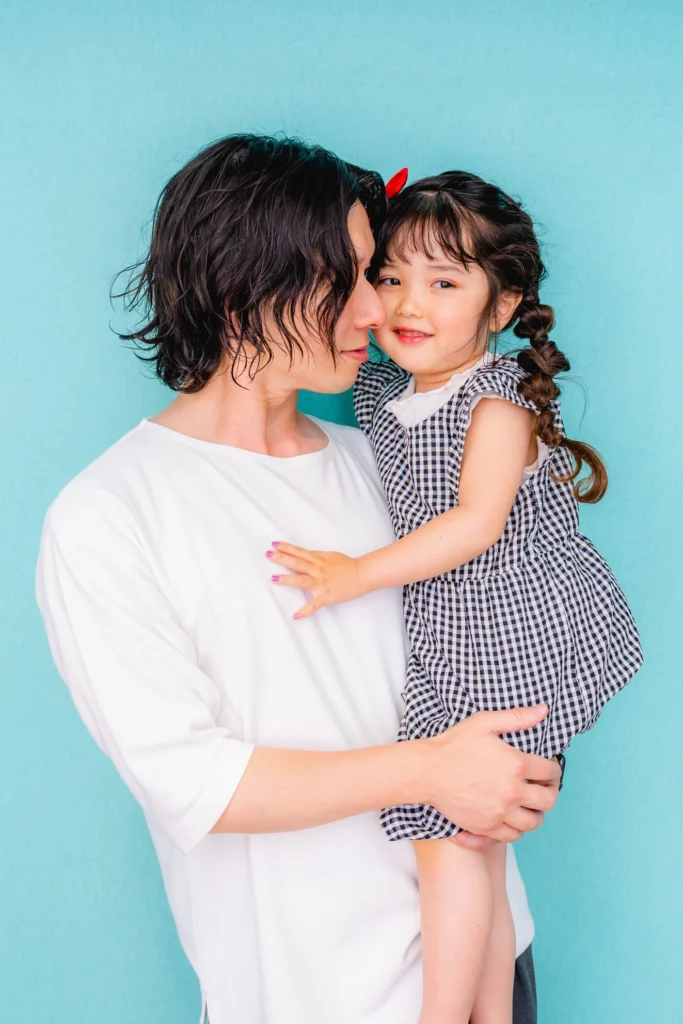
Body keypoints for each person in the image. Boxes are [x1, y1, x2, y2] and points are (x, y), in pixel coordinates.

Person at [35, 136, 561, 1024]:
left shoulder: (392, 463)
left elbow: (496, 626)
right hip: (307, 997)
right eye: (349, 279)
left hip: (487, 961)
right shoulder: (109, 512)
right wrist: (437, 771)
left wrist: (516, 767)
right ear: (241, 290)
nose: (379, 309)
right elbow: (196, 782)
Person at [267, 170, 643, 1023]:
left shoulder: (495, 399)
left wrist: (355, 574)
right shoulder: (384, 389)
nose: (408, 303)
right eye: (390, 277)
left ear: (500, 305)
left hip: (507, 635)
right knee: (473, 849)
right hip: (452, 634)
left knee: (447, 841)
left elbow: (475, 524)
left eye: (443, 284)